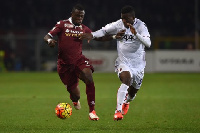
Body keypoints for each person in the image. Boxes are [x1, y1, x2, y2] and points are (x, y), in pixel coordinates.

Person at [80, 5, 151, 121]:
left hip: (138, 65)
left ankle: (127, 102)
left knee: (132, 94)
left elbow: (148, 43)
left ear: (133, 18)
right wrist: (92, 35)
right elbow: (103, 31)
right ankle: (118, 112)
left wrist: (136, 34)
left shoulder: (141, 26)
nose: (124, 21)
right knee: (126, 80)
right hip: (124, 62)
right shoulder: (118, 24)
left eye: (126, 19)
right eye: (122, 18)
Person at [43, 4, 99, 121]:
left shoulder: (84, 28)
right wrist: (49, 41)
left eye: (82, 16)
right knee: (76, 94)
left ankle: (92, 111)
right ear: (71, 14)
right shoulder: (62, 24)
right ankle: (75, 100)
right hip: (64, 65)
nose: (79, 18)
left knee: (89, 77)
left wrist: (113, 36)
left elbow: (96, 36)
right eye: (77, 15)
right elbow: (47, 36)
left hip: (78, 60)